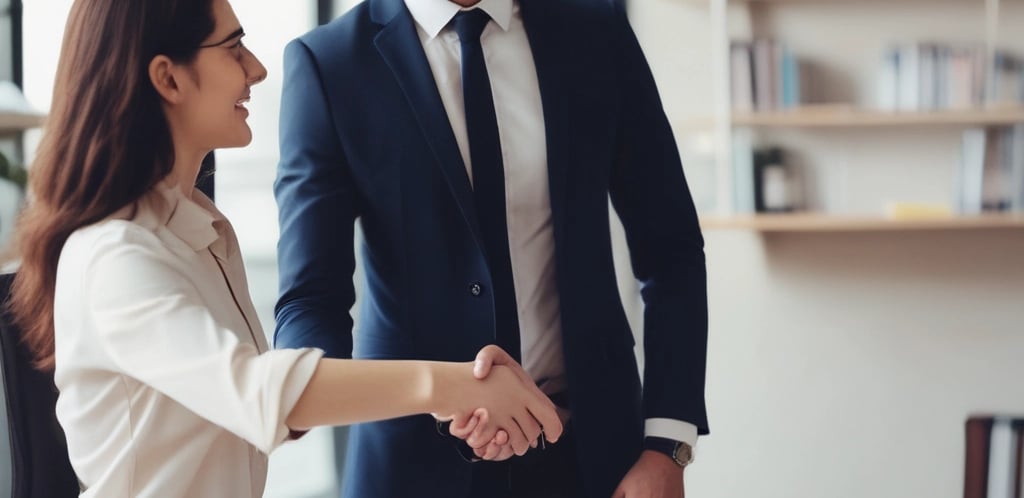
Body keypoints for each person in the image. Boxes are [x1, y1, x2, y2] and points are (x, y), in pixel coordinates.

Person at [5, 1, 561, 497]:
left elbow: (269, 402)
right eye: (233, 47)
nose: (258, 68)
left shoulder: (199, 232)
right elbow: (259, 393)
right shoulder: (114, 257)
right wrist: (453, 384)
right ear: (168, 79)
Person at [274, 0, 711, 496]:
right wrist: (299, 395)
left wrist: (668, 444)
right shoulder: (329, 63)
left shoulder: (597, 32)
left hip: (596, 458)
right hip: (412, 464)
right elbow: (312, 297)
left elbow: (671, 249)